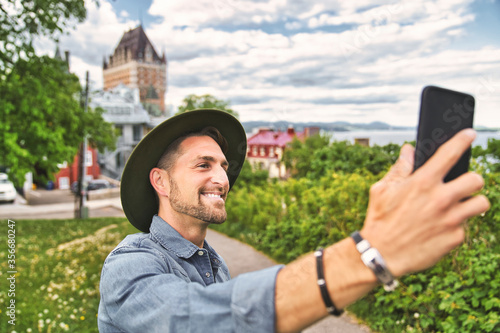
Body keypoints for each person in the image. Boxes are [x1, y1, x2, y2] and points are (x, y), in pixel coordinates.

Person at [97, 109, 489, 333]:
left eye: (223, 166)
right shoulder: (130, 263)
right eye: (203, 165)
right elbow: (191, 320)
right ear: (160, 181)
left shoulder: (214, 263)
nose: (221, 178)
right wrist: (370, 252)